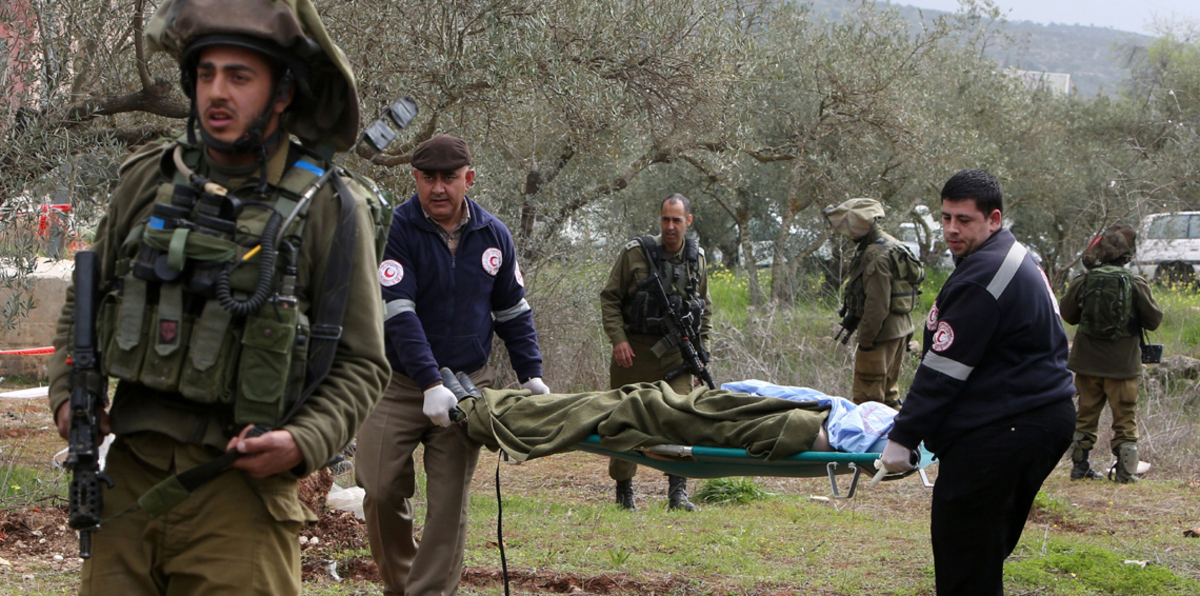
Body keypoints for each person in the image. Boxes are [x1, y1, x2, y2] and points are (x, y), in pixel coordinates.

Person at [46, 1, 391, 594]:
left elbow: (362, 362)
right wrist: (65, 396)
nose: (217, 93)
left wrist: (303, 441)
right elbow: (84, 303)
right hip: (128, 481)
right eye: (206, 74)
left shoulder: (332, 208)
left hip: (243, 495)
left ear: (282, 93)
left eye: (240, 76)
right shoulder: (148, 179)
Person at [358, 134, 549, 596]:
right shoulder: (395, 229)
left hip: (467, 384)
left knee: (448, 505)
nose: (438, 188)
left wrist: (532, 374)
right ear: (415, 178)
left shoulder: (494, 235)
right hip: (397, 382)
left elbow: (512, 311)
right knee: (380, 488)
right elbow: (398, 312)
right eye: (428, 178)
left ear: (469, 178)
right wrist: (427, 382)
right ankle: (401, 583)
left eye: (448, 178)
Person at [880, 169, 1076, 596]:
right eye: (946, 217)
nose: (951, 229)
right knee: (977, 550)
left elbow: (942, 370)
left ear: (993, 218)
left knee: (964, 555)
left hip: (1009, 426)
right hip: (1032, 418)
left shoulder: (983, 276)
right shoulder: (1013, 257)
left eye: (963, 220)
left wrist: (904, 436)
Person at [599, 194, 713, 512]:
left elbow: (705, 307)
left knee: (678, 419)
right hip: (634, 352)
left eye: (677, 220)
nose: (670, 226)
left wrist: (701, 352)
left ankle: (677, 492)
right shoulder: (635, 254)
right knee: (625, 420)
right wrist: (618, 339)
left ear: (688, 221)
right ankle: (624, 492)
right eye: (665, 219)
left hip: (677, 354)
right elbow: (610, 298)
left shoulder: (696, 259)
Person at [1060, 224, 1163, 483]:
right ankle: (1126, 473)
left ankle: (1079, 467)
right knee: (1125, 419)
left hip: (1086, 364)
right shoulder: (1135, 283)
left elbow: (1068, 315)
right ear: (1126, 255)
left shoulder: (1083, 281)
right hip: (1122, 367)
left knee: (1085, 416)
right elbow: (1154, 320)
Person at [823, 198, 924, 408]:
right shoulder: (893, 245)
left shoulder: (875, 256)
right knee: (889, 396)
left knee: (868, 401)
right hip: (901, 330)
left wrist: (866, 338)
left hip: (881, 335)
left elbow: (877, 306)